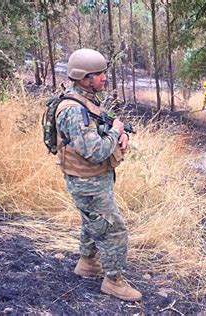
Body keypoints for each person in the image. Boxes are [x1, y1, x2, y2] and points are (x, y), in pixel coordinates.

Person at [55, 48, 142, 302]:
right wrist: (115, 133)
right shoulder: (72, 109)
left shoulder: (87, 101)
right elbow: (95, 151)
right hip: (87, 181)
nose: (105, 78)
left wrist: (120, 133)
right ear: (84, 78)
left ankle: (87, 263)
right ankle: (113, 281)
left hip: (93, 179)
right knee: (113, 229)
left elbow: (99, 128)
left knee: (92, 221)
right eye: (99, 74)